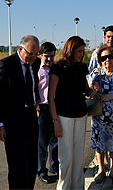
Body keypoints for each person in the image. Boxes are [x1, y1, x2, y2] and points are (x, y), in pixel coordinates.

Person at [0, 35, 41, 189]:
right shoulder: (5, 65)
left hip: (31, 118)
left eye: (36, 54)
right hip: (12, 121)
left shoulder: (36, 63)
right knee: (17, 165)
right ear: (20, 49)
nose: (32, 58)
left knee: (32, 163)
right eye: (30, 54)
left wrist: (36, 101)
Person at [48, 36, 97, 190]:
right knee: (66, 157)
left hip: (81, 115)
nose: (82, 54)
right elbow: (51, 97)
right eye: (79, 51)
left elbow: (84, 90)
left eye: (83, 51)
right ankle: (63, 187)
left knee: (78, 156)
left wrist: (94, 91)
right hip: (64, 117)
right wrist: (55, 122)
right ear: (71, 50)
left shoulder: (82, 68)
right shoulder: (57, 68)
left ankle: (78, 187)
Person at [91, 45, 113, 183]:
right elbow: (88, 90)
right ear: (100, 60)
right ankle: (101, 169)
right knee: (99, 144)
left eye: (110, 57)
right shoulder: (96, 73)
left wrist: (112, 96)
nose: (108, 60)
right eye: (104, 58)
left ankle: (112, 169)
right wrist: (94, 92)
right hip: (99, 115)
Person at [37, 42, 58, 184]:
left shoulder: (56, 69)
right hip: (42, 109)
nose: (49, 59)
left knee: (55, 140)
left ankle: (54, 167)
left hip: (55, 108)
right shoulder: (36, 70)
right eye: (46, 56)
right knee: (42, 142)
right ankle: (41, 171)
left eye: (52, 56)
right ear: (40, 55)